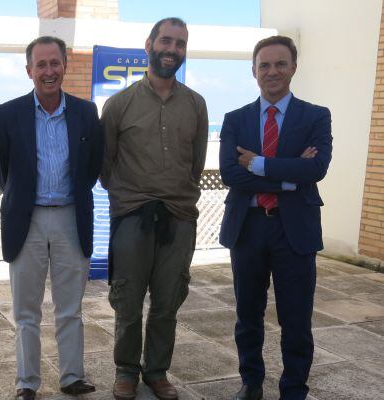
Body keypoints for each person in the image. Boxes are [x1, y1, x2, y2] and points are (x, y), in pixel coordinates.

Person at [100, 17, 208, 400]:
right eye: (166, 41)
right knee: (127, 300)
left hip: (179, 219)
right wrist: (134, 198)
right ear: (148, 45)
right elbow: (105, 165)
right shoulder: (118, 104)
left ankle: (157, 371)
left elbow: (196, 164)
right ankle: (126, 370)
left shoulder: (196, 104)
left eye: (180, 43)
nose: (172, 49)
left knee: (168, 300)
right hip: (133, 218)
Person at [0, 36, 103, 400]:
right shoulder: (7, 114)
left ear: (65, 65)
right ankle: (27, 382)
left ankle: (72, 377)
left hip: (72, 216)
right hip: (28, 219)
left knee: (70, 308)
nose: (49, 71)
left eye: (55, 63)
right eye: (41, 65)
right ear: (29, 71)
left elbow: (93, 166)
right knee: (26, 310)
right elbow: (1, 170)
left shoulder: (87, 112)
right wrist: (25, 201)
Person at [219, 35, 332, 400]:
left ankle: (294, 389)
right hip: (248, 228)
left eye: (280, 64)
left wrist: (259, 163)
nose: (272, 71)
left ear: (294, 68)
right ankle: (251, 382)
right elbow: (230, 174)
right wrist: (290, 175)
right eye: (264, 65)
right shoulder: (235, 120)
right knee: (247, 315)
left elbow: (315, 168)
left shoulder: (316, 116)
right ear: (253, 71)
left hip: (294, 231)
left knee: (296, 320)